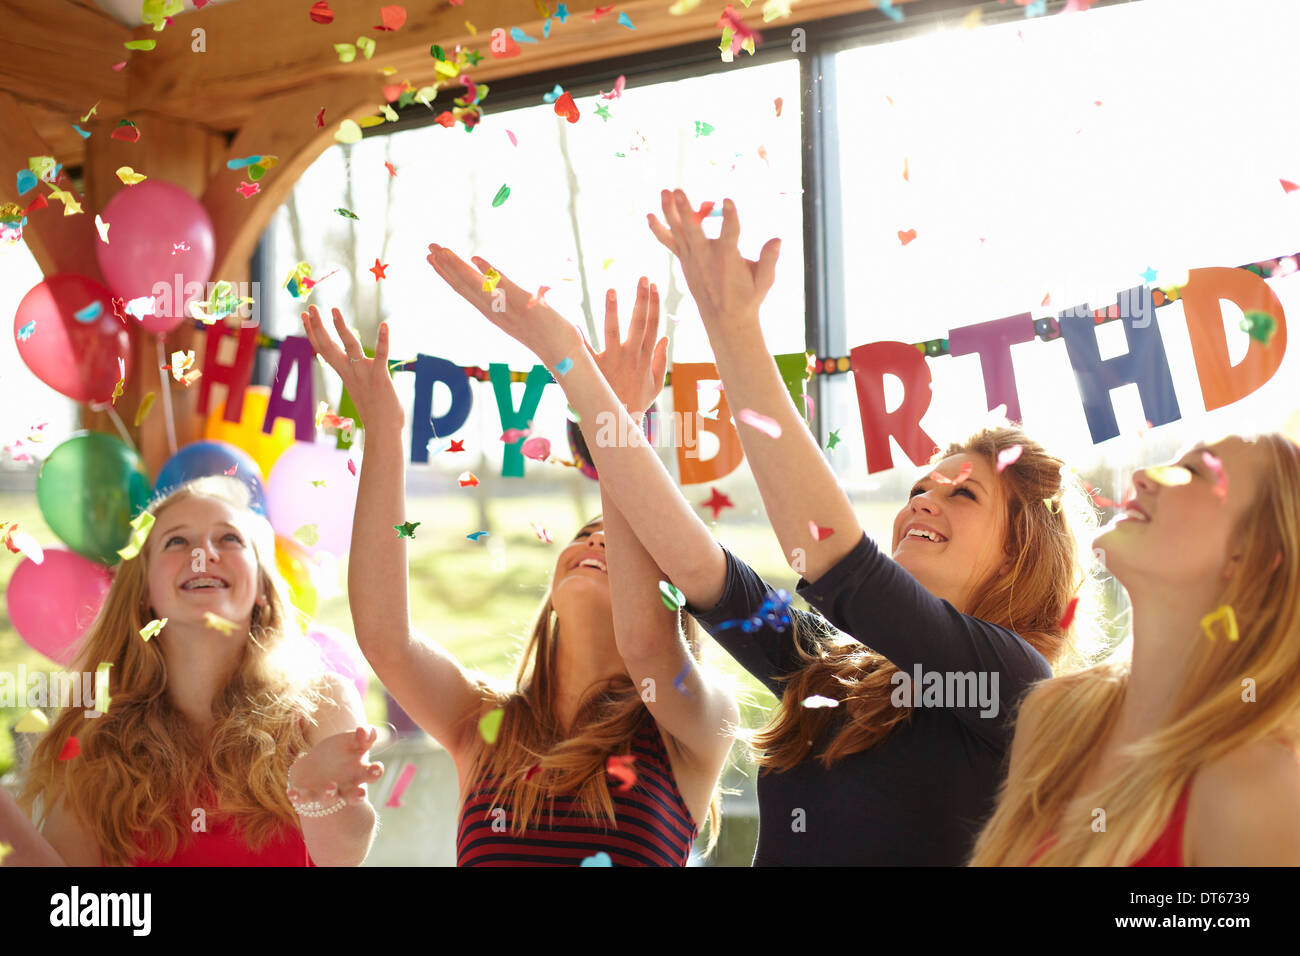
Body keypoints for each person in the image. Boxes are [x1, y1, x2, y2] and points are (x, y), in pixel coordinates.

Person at [424, 197, 1099, 864]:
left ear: (1018, 556)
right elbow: (691, 570)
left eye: (964, 493)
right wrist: (569, 361)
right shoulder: (828, 671)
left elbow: (833, 558)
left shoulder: (1015, 683)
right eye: (921, 485)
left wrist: (733, 326)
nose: (924, 499)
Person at [300, 304, 736, 866]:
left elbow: (647, 645)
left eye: (625, 547)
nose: (597, 544)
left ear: (671, 597)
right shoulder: (485, 724)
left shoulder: (691, 726)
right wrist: (384, 430)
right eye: (585, 535)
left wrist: (616, 427)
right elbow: (384, 637)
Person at [13, 475, 380, 866]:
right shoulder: (94, 733)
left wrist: (319, 797)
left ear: (261, 587)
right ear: (143, 592)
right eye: (177, 541)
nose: (204, 553)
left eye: (229, 539)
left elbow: (345, 857)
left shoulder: (322, 701)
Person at [971, 434, 1300, 866]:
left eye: (1194, 471)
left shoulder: (1258, 785)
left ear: (1253, 554)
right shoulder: (1052, 714)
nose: (1144, 475)